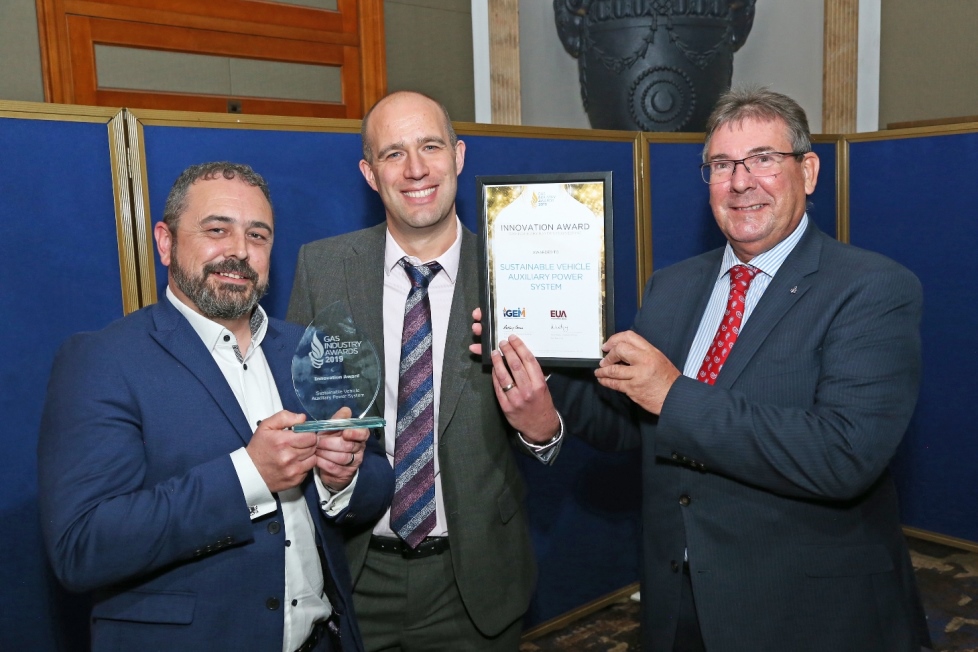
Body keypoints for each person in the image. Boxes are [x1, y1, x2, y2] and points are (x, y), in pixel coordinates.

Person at [475, 87, 932, 651]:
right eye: (721, 165)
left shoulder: (871, 288)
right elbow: (630, 423)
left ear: (808, 171)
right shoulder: (673, 287)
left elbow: (844, 455)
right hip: (680, 600)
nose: (741, 182)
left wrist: (673, 392)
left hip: (809, 613)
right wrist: (535, 361)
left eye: (764, 159)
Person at [38, 162, 393, 652]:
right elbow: (82, 547)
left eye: (258, 235)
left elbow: (376, 478)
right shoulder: (103, 360)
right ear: (165, 242)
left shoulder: (308, 350)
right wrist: (249, 474)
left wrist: (343, 478)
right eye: (216, 230)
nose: (239, 252)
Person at [287, 91, 547, 651]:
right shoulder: (322, 268)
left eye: (430, 146)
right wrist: (320, 453)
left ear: (457, 155)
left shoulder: (516, 271)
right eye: (392, 154)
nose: (415, 169)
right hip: (357, 577)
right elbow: (296, 410)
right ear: (369, 173)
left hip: (474, 582)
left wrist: (542, 429)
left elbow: (557, 434)